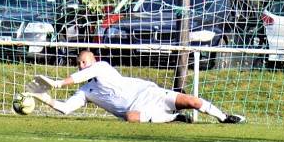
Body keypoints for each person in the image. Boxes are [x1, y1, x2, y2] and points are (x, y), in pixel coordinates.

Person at [29, 50, 245, 124]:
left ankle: (225, 117)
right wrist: (41, 96)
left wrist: (57, 83)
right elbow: (66, 108)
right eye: (79, 63)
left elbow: (79, 76)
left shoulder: (101, 67)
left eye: (84, 62)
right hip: (138, 110)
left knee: (192, 102)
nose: (82, 65)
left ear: (93, 60)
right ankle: (173, 117)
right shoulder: (86, 91)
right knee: (131, 117)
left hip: (148, 92)